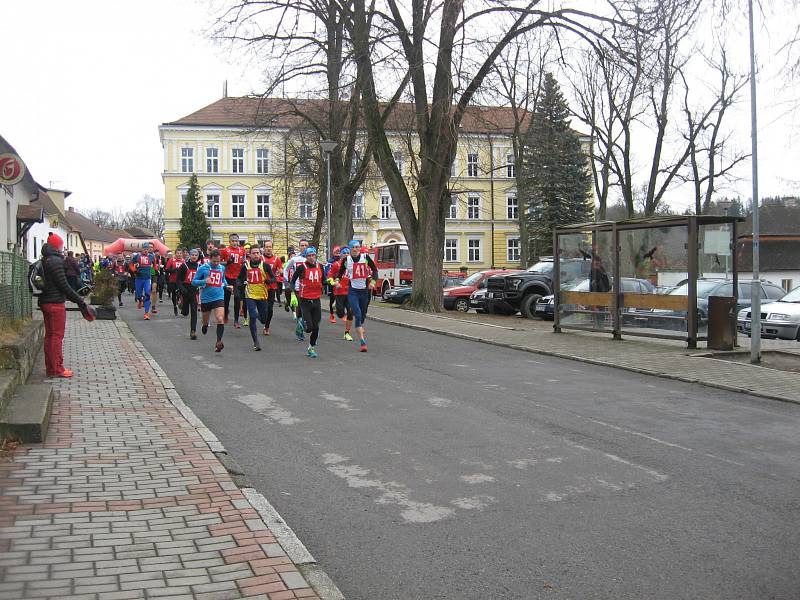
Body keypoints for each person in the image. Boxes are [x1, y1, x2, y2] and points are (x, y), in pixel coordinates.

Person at [39, 233, 88, 378]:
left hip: (45, 301)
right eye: (61, 246)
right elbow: (64, 286)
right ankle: (57, 369)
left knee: (49, 336)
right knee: (56, 337)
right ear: (57, 246)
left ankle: (50, 367)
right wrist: (79, 300)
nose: (63, 249)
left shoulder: (46, 259)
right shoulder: (56, 261)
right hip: (55, 304)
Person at [334, 240, 377, 352]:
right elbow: (339, 273)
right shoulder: (346, 260)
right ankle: (363, 342)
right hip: (353, 291)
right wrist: (337, 281)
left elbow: (375, 270)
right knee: (356, 314)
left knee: (362, 314)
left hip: (364, 291)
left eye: (357, 247)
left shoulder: (365, 257)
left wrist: (373, 282)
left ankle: (360, 326)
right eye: (353, 247)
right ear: (349, 248)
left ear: (360, 248)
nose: (355, 249)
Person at [237, 245, 276, 351]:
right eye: (253, 253)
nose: (255, 255)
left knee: (263, 320)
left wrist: (269, 281)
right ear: (250, 254)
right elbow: (239, 279)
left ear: (260, 254)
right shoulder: (246, 265)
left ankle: (260, 318)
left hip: (262, 295)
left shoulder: (265, 265)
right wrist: (240, 284)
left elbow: (273, 277)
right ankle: (256, 342)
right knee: (252, 316)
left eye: (257, 253)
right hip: (250, 295)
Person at [192, 249, 230, 352]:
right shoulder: (203, 268)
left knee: (220, 318)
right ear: (210, 259)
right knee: (205, 320)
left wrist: (227, 286)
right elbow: (193, 282)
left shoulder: (222, 268)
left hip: (219, 296)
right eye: (214, 261)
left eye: (218, 261)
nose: (216, 263)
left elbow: (223, 280)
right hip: (206, 298)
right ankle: (204, 325)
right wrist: (204, 281)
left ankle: (218, 342)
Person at [290, 247, 324, 358]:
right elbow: (292, 281)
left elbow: (324, 280)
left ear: (315, 256)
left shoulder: (320, 266)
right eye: (308, 255)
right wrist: (293, 294)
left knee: (316, 327)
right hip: (304, 300)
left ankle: (311, 348)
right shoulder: (301, 267)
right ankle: (301, 325)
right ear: (306, 256)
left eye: (313, 255)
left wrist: (330, 282)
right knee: (309, 328)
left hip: (316, 300)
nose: (311, 257)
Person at [220, 233, 246, 328]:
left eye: (236, 241)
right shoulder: (225, 250)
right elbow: (219, 262)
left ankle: (236, 320)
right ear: (229, 241)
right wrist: (227, 262)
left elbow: (243, 261)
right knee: (226, 299)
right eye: (233, 241)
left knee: (237, 298)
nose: (235, 243)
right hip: (227, 277)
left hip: (237, 278)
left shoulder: (242, 250)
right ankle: (226, 313)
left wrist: (244, 266)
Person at [328, 246, 354, 340]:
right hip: (339, 292)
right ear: (341, 254)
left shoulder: (353, 264)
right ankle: (336, 306)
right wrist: (334, 283)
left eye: (348, 253)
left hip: (351, 292)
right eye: (344, 253)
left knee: (350, 312)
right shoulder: (336, 265)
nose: (346, 255)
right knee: (340, 313)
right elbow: (329, 276)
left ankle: (347, 333)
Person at [177, 248, 201, 339]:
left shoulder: (200, 267)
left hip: (194, 290)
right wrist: (182, 289)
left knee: (194, 311)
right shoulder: (184, 266)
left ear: (198, 257)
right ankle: (182, 304)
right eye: (193, 255)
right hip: (185, 289)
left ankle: (193, 331)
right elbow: (178, 280)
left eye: (196, 255)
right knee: (185, 312)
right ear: (189, 256)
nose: (194, 257)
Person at [261, 240, 283, 335]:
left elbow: (280, 269)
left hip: (272, 286)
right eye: (266, 247)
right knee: (263, 308)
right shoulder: (261, 258)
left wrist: (280, 272)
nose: (268, 249)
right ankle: (260, 317)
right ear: (263, 248)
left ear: (272, 248)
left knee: (270, 308)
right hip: (261, 286)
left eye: (270, 247)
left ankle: (266, 326)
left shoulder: (276, 259)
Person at [131, 242, 156, 319]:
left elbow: (154, 266)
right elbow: (130, 264)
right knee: (138, 294)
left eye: (147, 249)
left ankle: (146, 313)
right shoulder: (137, 256)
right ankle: (140, 300)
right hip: (139, 278)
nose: (146, 250)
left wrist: (154, 272)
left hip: (147, 279)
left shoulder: (151, 256)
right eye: (144, 249)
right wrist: (134, 271)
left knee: (148, 294)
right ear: (142, 249)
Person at [324, 246, 341, 323]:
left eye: (338, 252)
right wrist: (330, 281)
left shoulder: (343, 261)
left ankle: (338, 307)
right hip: (331, 282)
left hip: (340, 282)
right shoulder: (330, 262)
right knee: (332, 299)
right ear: (333, 253)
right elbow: (326, 273)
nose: (337, 254)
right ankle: (331, 315)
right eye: (336, 252)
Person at [165, 249, 185, 316]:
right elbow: (167, 269)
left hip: (181, 281)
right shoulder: (171, 260)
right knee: (174, 294)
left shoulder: (184, 261)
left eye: (180, 253)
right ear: (175, 254)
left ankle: (181, 306)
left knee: (182, 293)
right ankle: (175, 306)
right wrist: (173, 270)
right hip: (173, 280)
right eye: (178, 253)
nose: (179, 254)